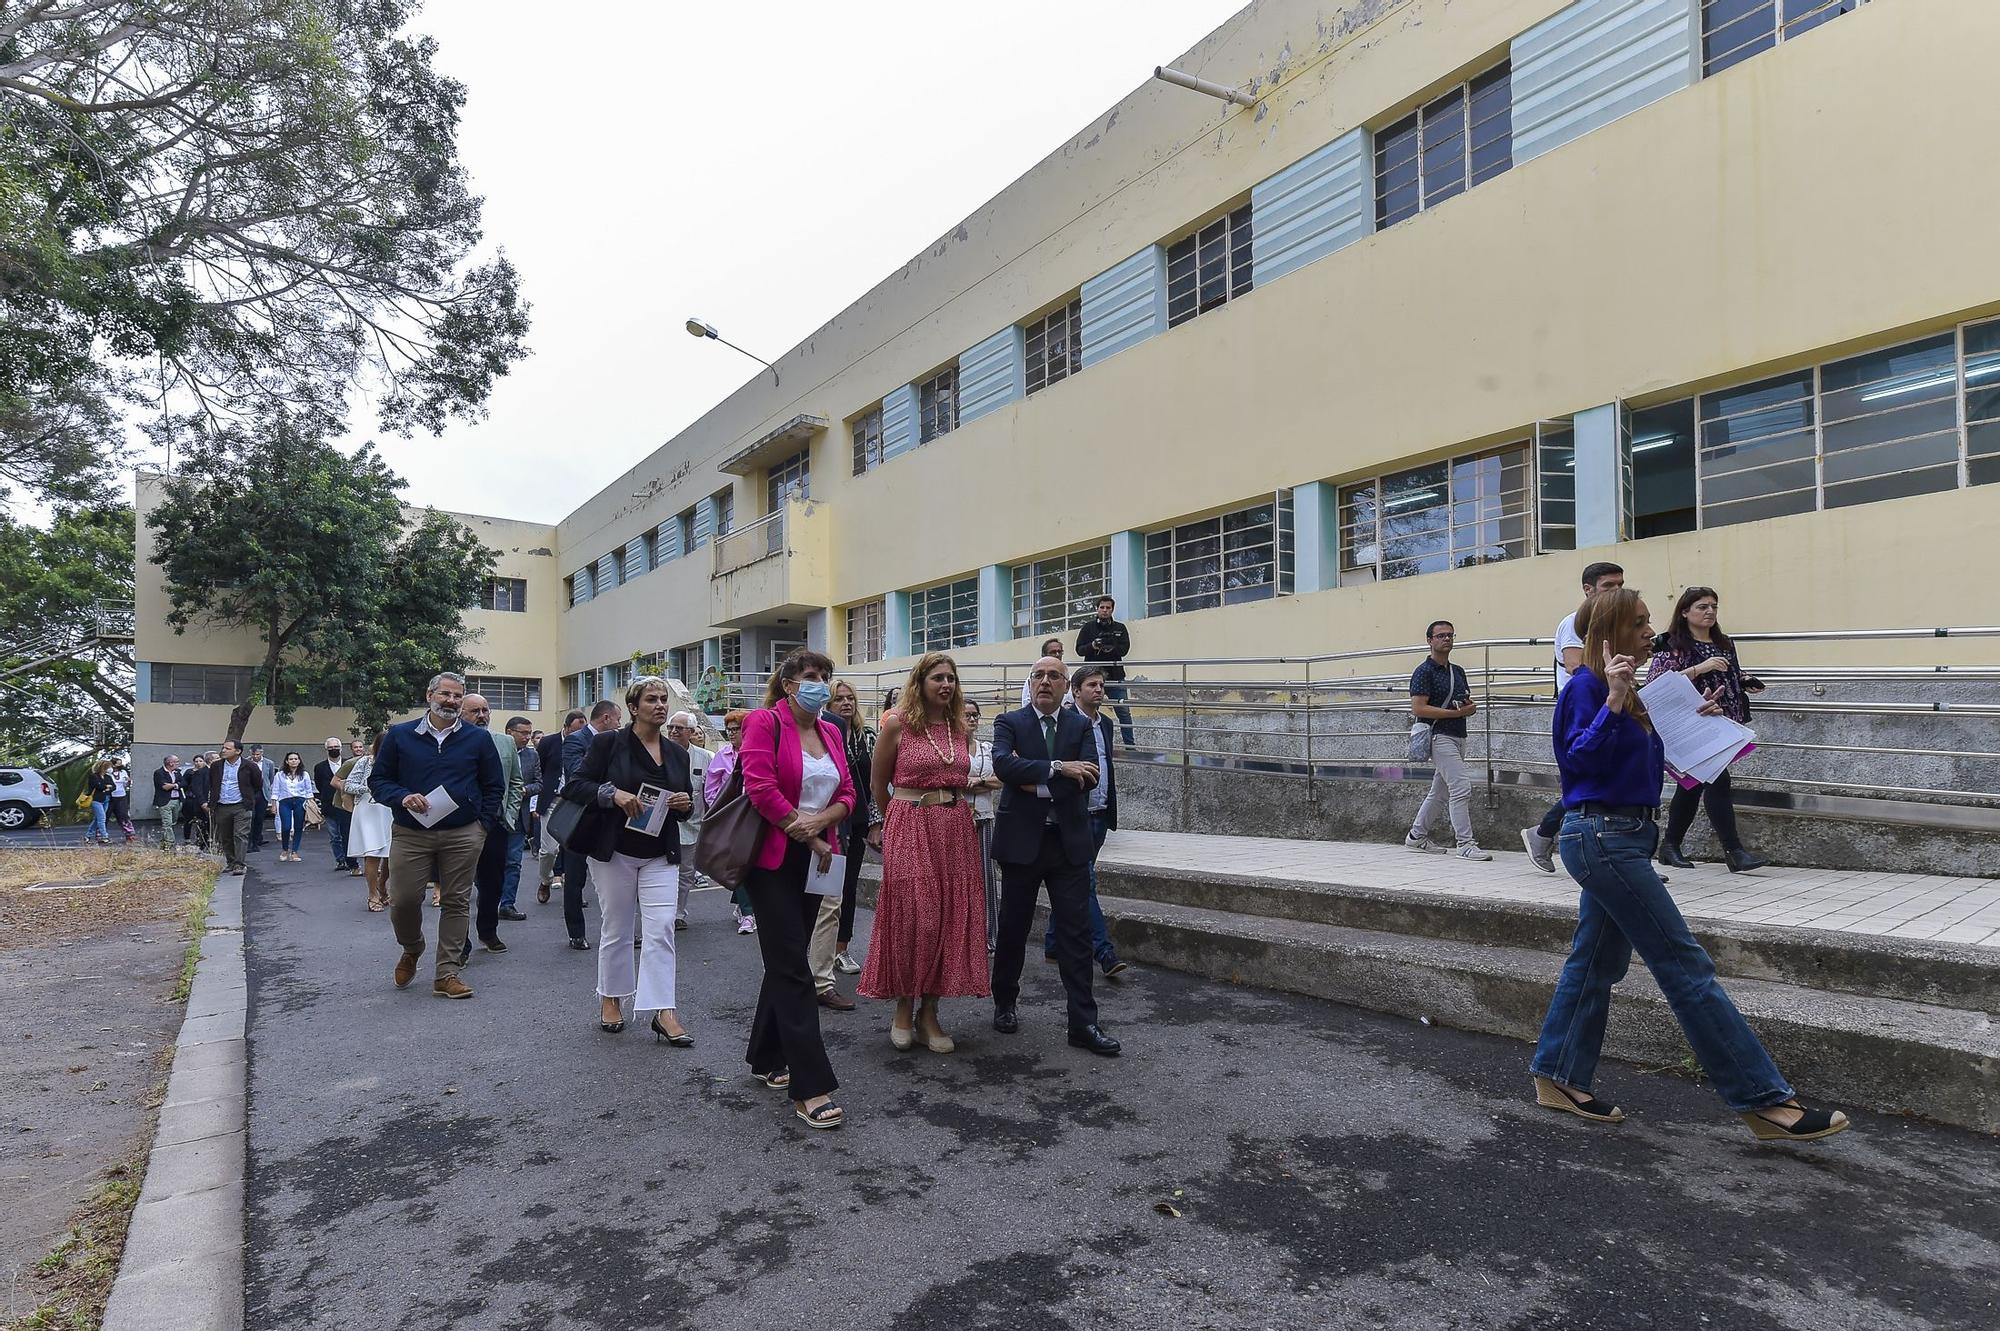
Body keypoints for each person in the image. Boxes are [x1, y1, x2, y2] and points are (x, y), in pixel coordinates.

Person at [1528, 588, 1848, 1142]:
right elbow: (1576, 760)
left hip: (1624, 836)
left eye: (1650, 621)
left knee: (1594, 962)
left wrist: (1689, 722)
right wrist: (1614, 701)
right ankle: (1766, 1100)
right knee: (1683, 963)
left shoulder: (1632, 694)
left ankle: (1557, 1075)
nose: (1652, 631)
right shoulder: (1586, 687)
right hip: (1601, 835)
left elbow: (1652, 764)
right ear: (1611, 631)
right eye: (1641, 622)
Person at [739, 648, 855, 1130]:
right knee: (793, 967)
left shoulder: (831, 730)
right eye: (811, 676)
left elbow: (848, 792)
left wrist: (823, 825)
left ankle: (766, 1055)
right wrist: (803, 830)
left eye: (826, 676)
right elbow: (759, 786)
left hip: (817, 856)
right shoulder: (765, 722)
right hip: (773, 858)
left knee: (785, 960)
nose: (821, 684)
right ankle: (811, 1084)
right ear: (789, 684)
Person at [989, 655, 1120, 1057]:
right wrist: (1060, 768)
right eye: (1039, 675)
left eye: (1054, 676)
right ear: (1030, 683)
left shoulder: (1082, 725)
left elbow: (1089, 780)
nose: (1045, 681)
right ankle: (1005, 1002)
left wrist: (1036, 782)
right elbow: (1002, 766)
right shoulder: (1009, 722)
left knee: (1076, 935)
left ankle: (1083, 1023)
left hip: (1068, 845)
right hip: (1022, 844)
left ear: (1066, 686)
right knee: (1013, 929)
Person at [858, 653, 990, 1051]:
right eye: (938, 678)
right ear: (921, 682)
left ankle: (929, 1013)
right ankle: (903, 1005)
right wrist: (890, 822)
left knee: (949, 917)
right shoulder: (898, 724)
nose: (946, 684)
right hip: (911, 823)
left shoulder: (956, 726)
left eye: (951, 678)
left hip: (955, 826)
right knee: (917, 917)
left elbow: (958, 776)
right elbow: (878, 784)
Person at [559, 677, 697, 1043]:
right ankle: (611, 998)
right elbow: (575, 785)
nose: (660, 705)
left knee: (662, 928)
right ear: (633, 708)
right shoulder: (608, 744)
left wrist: (685, 805)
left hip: (659, 852)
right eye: (651, 699)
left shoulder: (678, 753)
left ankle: (663, 1010)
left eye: (663, 699)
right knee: (617, 928)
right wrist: (613, 793)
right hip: (614, 850)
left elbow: (684, 806)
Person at [369, 671, 503, 1000]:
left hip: (463, 833)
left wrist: (481, 827)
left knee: (456, 902)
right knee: (403, 901)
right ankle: (412, 948)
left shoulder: (477, 739)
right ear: (429, 695)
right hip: (411, 833)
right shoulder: (400, 736)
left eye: (458, 696)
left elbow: (493, 785)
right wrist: (402, 796)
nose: (451, 701)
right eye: (445, 694)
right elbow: (379, 780)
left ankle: (447, 972)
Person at [1649, 586, 1769, 874]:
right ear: (1685, 611)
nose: (1710, 611)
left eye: (1713, 606)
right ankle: (1734, 852)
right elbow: (1657, 684)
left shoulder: (1724, 643)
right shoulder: (1673, 644)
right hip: (1691, 723)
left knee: (1693, 786)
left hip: (1722, 722)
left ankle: (1670, 846)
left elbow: (1730, 673)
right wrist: (1699, 668)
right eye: (1702, 606)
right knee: (1716, 781)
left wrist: (1745, 680)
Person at [1521, 563, 1625, 873]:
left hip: (1608, 704)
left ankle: (1545, 835)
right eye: (1609, 586)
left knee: (1611, 780)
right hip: (1583, 709)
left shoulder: (1611, 625)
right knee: (1594, 781)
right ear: (1588, 589)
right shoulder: (1575, 623)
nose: (1617, 591)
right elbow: (1573, 665)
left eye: (1620, 584)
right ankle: (1544, 835)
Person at [1045, 666, 1129, 978]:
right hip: (1076, 815)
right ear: (1075, 691)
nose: (1099, 690)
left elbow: (1105, 764)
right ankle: (1104, 951)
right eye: (1091, 685)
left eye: (1102, 685)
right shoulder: (1065, 723)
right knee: (1085, 882)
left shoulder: (1105, 723)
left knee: (1075, 880)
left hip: (1100, 814)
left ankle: (1053, 942)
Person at [1403, 620, 1491, 860]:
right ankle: (1465, 844)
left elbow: (1465, 701)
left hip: (1458, 735)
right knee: (1461, 786)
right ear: (1429, 640)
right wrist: (1456, 713)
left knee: (1439, 792)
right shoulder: (1424, 671)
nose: (1447, 639)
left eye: (1450, 635)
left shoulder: (1458, 671)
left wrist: (1467, 708)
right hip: (1438, 736)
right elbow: (1418, 708)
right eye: (1441, 635)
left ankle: (1416, 836)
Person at [459, 693, 523, 958]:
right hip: (459, 825)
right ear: (461, 713)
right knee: (458, 886)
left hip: (494, 824)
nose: (482, 715)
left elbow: (516, 782)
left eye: (485, 710)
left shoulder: (505, 742)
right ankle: (459, 943)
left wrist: (508, 814)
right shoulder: (451, 743)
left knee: (492, 884)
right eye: (475, 711)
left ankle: (488, 931)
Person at [556, 700, 622, 950]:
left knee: (618, 877)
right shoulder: (576, 740)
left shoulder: (618, 741)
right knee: (575, 878)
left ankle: (620, 929)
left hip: (610, 816)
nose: (619, 724)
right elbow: (576, 774)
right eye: (617, 719)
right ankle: (576, 933)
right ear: (605, 718)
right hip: (580, 818)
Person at [822, 682, 873, 979]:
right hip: (830, 821)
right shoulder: (824, 734)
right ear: (828, 706)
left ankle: (841, 948)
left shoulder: (866, 738)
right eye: (838, 699)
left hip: (857, 821)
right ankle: (820, 949)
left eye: (850, 698)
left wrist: (874, 823)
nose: (846, 703)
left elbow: (873, 785)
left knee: (848, 886)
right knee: (824, 888)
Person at [705, 709, 757, 934]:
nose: (732, 734)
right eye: (729, 730)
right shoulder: (722, 756)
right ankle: (748, 913)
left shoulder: (757, 752)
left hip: (756, 816)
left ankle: (741, 903)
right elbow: (710, 789)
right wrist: (723, 810)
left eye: (736, 729)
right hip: (733, 817)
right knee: (738, 861)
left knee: (750, 864)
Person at [962, 699, 1004, 949]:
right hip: (958, 818)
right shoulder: (951, 749)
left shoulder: (987, 748)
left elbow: (1000, 780)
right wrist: (982, 780)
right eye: (966, 715)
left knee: (987, 876)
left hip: (985, 817)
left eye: (975, 715)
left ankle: (990, 936)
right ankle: (963, 934)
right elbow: (953, 780)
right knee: (960, 877)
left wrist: (976, 782)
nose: (972, 719)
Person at [664, 711, 711, 932]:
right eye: (670, 727)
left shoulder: (705, 757)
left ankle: (678, 913)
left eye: (679, 728)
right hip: (663, 825)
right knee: (662, 871)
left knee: (685, 873)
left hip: (692, 825)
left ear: (691, 732)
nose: (673, 731)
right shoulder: (659, 753)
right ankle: (662, 913)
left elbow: (711, 793)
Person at [535, 710, 584, 902]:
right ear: (565, 727)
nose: (578, 736)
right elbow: (539, 771)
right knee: (549, 850)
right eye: (574, 731)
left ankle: (574, 892)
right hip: (552, 801)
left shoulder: (586, 743)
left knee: (576, 851)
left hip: (575, 802)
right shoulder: (549, 743)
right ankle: (545, 880)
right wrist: (536, 801)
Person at [1075, 595, 1136, 746]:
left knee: (1123, 712)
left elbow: (1124, 650)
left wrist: (1112, 646)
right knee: (1090, 711)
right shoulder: (1088, 627)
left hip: (1115, 677)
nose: (1105, 610)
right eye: (1102, 607)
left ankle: (1130, 746)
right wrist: (1093, 646)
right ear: (1097, 609)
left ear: (1112, 610)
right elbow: (1079, 650)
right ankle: (1089, 744)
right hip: (1092, 677)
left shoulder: (1120, 628)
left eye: (1108, 608)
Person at [344, 735, 394, 910]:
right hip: (368, 809)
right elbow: (348, 784)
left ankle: (381, 885)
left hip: (390, 809)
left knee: (390, 854)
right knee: (372, 854)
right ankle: (372, 894)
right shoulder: (365, 761)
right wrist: (370, 787)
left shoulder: (401, 761)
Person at [499, 716, 539, 920]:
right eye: (523, 733)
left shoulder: (532, 756)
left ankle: (507, 904)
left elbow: (539, 783)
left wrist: (524, 790)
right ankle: (489, 900)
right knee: (491, 862)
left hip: (519, 817)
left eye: (529, 734)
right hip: (496, 816)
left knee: (514, 862)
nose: (527, 737)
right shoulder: (495, 750)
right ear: (509, 732)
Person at [205, 740, 264, 874]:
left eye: (227, 748)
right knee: (225, 836)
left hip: (241, 806)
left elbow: (257, 784)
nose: (223, 750)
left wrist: (248, 798)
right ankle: (231, 862)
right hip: (222, 806)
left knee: (240, 835)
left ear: (238, 751)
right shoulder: (216, 766)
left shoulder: (249, 766)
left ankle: (239, 864)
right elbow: (212, 783)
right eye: (223, 748)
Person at [313, 738, 354, 872]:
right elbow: (319, 785)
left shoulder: (349, 763)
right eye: (331, 747)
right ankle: (340, 860)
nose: (334, 749)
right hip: (329, 805)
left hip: (346, 804)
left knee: (346, 834)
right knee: (334, 835)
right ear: (326, 749)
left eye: (336, 746)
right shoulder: (319, 767)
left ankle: (350, 859)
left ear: (341, 748)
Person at [268, 751, 314, 862]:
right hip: (285, 801)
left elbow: (309, 791)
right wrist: (273, 805)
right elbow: (275, 790)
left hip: (300, 801)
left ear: (299, 761)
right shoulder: (280, 775)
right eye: (291, 759)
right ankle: (285, 849)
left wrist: (312, 805)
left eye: (296, 759)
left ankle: (294, 852)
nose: (293, 761)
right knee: (286, 826)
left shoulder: (304, 774)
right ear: (287, 761)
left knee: (298, 827)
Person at [1018, 638, 1068, 708]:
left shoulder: (1066, 677)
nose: (1057, 654)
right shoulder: (1034, 678)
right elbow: (1026, 702)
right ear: (1044, 654)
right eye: (1053, 652)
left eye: (1059, 652)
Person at [247, 745, 275, 852]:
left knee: (259, 818)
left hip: (262, 793)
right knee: (250, 818)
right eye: (253, 754)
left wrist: (268, 790)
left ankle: (256, 841)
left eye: (257, 754)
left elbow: (270, 778)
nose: (255, 756)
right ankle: (249, 842)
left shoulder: (269, 763)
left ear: (262, 753)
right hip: (250, 793)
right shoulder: (246, 762)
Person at [180, 755, 211, 851]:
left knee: (203, 820)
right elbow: (184, 784)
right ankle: (187, 838)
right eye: (196, 761)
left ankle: (202, 839)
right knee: (188, 820)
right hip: (190, 798)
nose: (198, 763)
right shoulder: (189, 772)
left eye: (200, 761)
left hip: (201, 799)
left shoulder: (207, 772)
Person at [152, 755, 183, 851]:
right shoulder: (159, 773)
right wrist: (177, 785)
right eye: (177, 761)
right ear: (171, 763)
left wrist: (173, 785)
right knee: (167, 823)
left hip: (177, 800)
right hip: (165, 801)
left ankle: (164, 841)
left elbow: (184, 783)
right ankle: (170, 843)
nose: (178, 763)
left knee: (173, 822)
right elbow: (164, 787)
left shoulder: (178, 772)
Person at [85, 760, 114, 843]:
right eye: (108, 767)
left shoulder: (108, 777)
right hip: (96, 800)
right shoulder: (93, 776)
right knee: (102, 818)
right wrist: (106, 786)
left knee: (98, 819)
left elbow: (113, 787)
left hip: (106, 799)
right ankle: (105, 836)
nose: (110, 769)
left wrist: (106, 787)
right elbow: (98, 786)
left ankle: (88, 835)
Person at [108, 761, 135, 840]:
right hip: (111, 796)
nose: (120, 765)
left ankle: (130, 834)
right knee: (105, 816)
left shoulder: (123, 772)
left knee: (123, 815)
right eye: (118, 763)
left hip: (121, 796)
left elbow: (126, 785)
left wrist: (129, 782)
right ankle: (101, 835)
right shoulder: (108, 773)